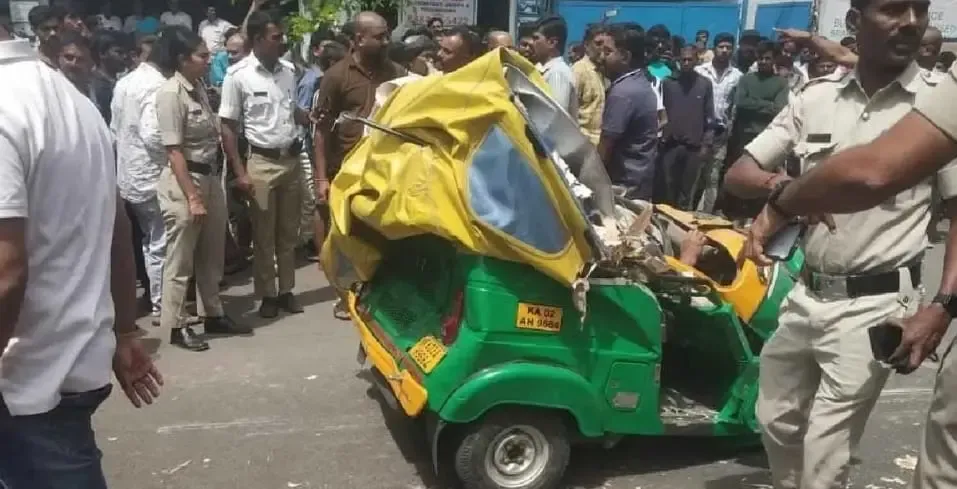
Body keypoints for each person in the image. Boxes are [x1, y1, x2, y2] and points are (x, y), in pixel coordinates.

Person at [725, 0, 957, 486]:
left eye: (921, 10)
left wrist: (940, 305)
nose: (911, 22)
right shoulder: (815, 97)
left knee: (826, 452)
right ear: (855, 23)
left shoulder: (938, 103)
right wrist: (782, 192)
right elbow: (739, 174)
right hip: (805, 295)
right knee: (776, 423)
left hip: (876, 305)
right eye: (894, 9)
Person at [0, 34, 162, 489]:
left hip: (22, 385)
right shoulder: (69, 100)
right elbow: (117, 228)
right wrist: (126, 330)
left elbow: (6, 272)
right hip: (65, 372)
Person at [153, 26, 250, 351]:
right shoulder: (170, 94)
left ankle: (213, 313)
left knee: (212, 254)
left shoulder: (197, 88)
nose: (209, 60)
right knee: (181, 260)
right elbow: (174, 150)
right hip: (185, 183)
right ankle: (176, 325)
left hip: (209, 177)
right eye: (202, 55)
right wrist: (193, 197)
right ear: (182, 59)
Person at [313, 11, 405, 319]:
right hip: (346, 172)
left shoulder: (396, 72)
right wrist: (321, 179)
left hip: (385, 173)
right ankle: (346, 295)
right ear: (358, 39)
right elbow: (321, 131)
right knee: (345, 238)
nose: (386, 41)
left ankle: (376, 297)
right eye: (379, 37)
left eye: (386, 35)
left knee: (380, 239)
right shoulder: (336, 76)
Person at [220, 10, 306, 319]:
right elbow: (227, 126)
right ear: (257, 39)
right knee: (263, 235)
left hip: (291, 159)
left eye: (282, 36)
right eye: (275, 37)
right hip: (261, 162)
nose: (281, 42)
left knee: (288, 232)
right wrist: (239, 171)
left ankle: (286, 291)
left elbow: (291, 108)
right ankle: (268, 295)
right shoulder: (238, 75)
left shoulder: (288, 70)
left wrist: (305, 117)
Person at [595, 22, 659, 201]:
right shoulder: (639, 82)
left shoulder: (624, 93)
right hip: (640, 183)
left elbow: (606, 146)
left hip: (623, 189)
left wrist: (589, 180)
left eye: (607, 52)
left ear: (624, 56)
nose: (601, 57)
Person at [296, 27, 337, 261]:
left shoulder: (328, 83)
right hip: (313, 149)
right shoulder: (314, 83)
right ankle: (321, 251)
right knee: (319, 202)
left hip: (323, 151)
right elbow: (307, 119)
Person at [659, 46, 714, 209]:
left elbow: (709, 116)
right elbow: (660, 111)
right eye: (683, 59)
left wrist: (706, 144)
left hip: (693, 148)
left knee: (686, 192)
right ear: (678, 61)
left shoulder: (704, 84)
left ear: (697, 60)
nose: (686, 63)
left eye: (690, 59)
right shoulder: (668, 83)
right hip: (670, 146)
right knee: (667, 188)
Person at [694, 32, 743, 213]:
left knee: (713, 178)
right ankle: (688, 213)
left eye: (728, 47)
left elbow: (735, 107)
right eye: (721, 47)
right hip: (699, 131)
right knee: (695, 175)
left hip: (721, 133)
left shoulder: (737, 76)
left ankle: (706, 216)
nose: (724, 50)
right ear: (714, 49)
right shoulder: (700, 71)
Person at [530, 15, 577, 117]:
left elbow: (555, 117)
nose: (531, 43)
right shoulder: (542, 69)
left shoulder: (557, 73)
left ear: (552, 43)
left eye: (536, 39)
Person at [573, 23, 606, 146]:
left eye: (605, 45)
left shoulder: (604, 71)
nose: (602, 49)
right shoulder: (579, 71)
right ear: (587, 45)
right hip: (584, 143)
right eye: (598, 44)